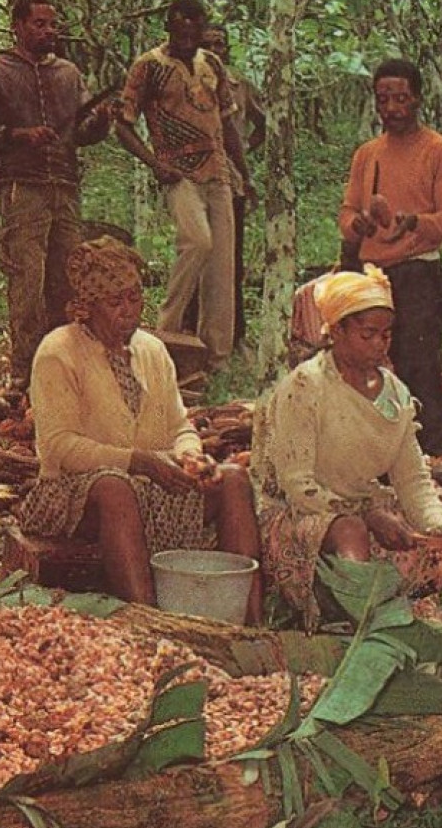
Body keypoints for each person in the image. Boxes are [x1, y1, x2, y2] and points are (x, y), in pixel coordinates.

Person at [15, 238, 262, 618]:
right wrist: (139, 462)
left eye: (134, 298)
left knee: (232, 479)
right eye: (115, 303)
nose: (128, 311)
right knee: (115, 487)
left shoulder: (151, 350)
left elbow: (179, 424)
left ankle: (249, 620)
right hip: (73, 491)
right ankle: (150, 620)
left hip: (150, 484)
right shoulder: (57, 351)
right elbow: (58, 448)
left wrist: (190, 455)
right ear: (87, 307)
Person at [252, 267, 442, 630]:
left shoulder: (394, 393)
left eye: (386, 335)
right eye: (368, 334)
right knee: (351, 532)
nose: (380, 344)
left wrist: (439, 527)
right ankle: (360, 629)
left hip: (365, 508)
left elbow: (411, 479)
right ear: (337, 332)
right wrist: (366, 514)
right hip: (299, 513)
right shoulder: (305, 387)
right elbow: (297, 484)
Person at [0, 0, 112, 388]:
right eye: (38, 24)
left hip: (64, 185)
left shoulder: (68, 73)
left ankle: (60, 371)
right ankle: (24, 375)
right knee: (26, 279)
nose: (48, 31)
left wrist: (100, 123)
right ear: (18, 26)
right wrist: (16, 135)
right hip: (21, 186)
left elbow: (80, 133)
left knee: (66, 279)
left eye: (52, 24)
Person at [115, 0, 252, 371]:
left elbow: (227, 125)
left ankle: (216, 357)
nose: (189, 34)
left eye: (196, 26)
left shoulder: (212, 65)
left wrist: (245, 173)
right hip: (178, 171)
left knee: (222, 263)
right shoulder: (149, 67)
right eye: (181, 26)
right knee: (197, 241)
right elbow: (122, 124)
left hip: (218, 172)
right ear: (169, 27)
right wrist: (154, 162)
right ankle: (164, 331)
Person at [338, 58, 442, 452]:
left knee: (418, 359)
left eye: (401, 98)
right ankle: (375, 442)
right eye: (383, 99)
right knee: (367, 357)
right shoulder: (367, 154)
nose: (391, 108)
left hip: (417, 271)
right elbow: (348, 210)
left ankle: (429, 444)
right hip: (372, 273)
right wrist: (356, 225)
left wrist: (414, 223)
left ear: (418, 99)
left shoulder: (439, 151)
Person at [190, 24, 265, 351]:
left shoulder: (240, 86)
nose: (214, 50)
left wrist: (244, 153)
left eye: (219, 44)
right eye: (208, 44)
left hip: (230, 182)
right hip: (192, 181)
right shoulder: (186, 82)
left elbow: (261, 124)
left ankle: (235, 335)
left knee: (229, 260)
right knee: (195, 252)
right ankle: (190, 331)